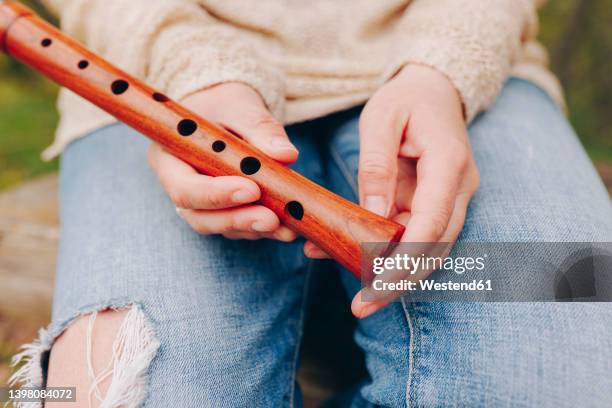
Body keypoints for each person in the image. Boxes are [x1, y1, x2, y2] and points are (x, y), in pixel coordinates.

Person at [11, 0, 612, 407]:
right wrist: (194, 69)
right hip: (152, 77)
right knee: (129, 386)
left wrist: (444, 70)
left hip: (456, 70)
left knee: (566, 352)